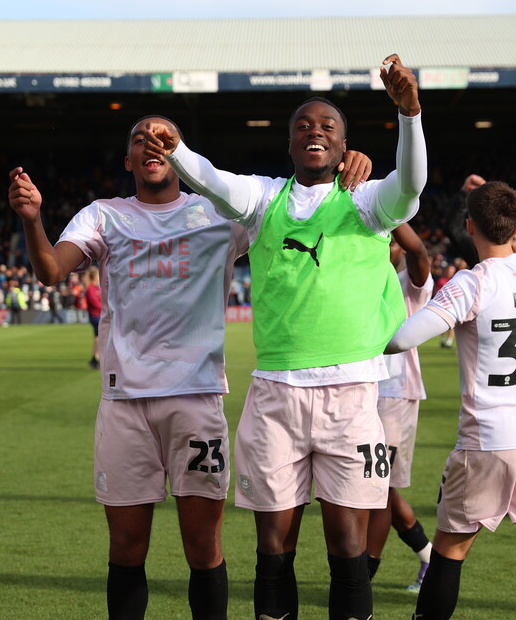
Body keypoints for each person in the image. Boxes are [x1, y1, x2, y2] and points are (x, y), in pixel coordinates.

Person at [144, 53, 427, 620]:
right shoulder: (264, 197)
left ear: (346, 148)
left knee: (346, 544)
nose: (314, 131)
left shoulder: (368, 203)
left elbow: (413, 182)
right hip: (275, 394)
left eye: (327, 126)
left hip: (351, 395)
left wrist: (410, 115)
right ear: (290, 144)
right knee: (273, 546)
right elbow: (214, 181)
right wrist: (175, 149)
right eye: (303, 126)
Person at [11, 113, 310, 620]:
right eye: (139, 139)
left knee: (202, 547)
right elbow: (50, 271)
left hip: (195, 401)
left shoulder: (222, 215)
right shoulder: (103, 215)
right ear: (127, 160)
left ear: (180, 151)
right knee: (126, 549)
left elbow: (301, 196)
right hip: (124, 403)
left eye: (162, 137)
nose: (150, 144)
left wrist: (350, 162)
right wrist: (32, 218)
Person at [386, 181, 516, 620]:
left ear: (469, 226)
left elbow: (403, 338)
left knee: (449, 552)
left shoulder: (472, 283)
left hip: (488, 441)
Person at [366, 222, 434, 593]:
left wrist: (388, 214)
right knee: (373, 486)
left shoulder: (409, 284)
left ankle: (365, 574)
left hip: (395, 394)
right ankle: (428, 556)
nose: (387, 246)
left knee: (379, 488)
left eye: (392, 243)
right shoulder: (361, 276)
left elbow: (419, 254)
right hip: (361, 392)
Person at [84, 267, 102, 369]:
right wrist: (105, 308)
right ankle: (95, 358)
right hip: (96, 316)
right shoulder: (91, 289)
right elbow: (95, 303)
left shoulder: (97, 288)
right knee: (99, 337)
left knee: (98, 338)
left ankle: (95, 358)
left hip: (99, 315)